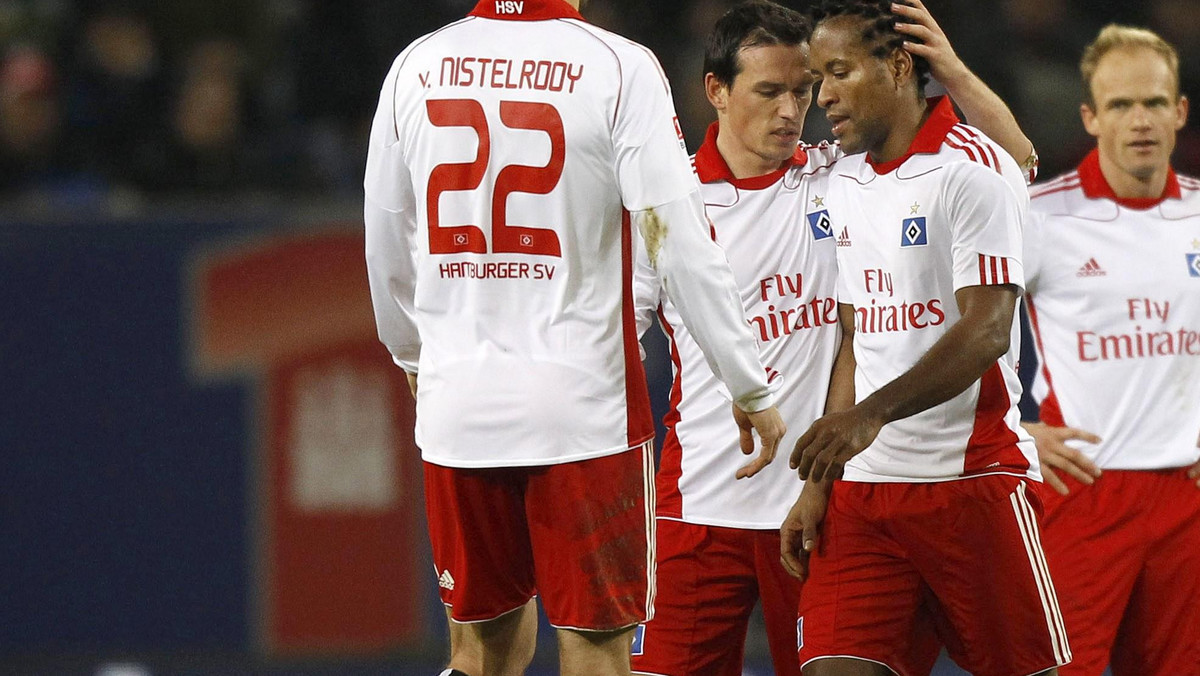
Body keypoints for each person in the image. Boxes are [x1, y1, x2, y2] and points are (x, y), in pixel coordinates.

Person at [362, 1, 787, 675]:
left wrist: (413, 355)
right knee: (596, 651)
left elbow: (386, 234)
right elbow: (675, 237)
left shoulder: (415, 67)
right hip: (585, 411)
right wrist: (748, 382)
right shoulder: (619, 67)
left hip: (458, 403)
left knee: (479, 651)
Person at [631, 2, 1042, 675]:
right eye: (770, 91)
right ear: (717, 90)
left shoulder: (836, 175)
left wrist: (953, 72)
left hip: (816, 505)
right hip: (697, 501)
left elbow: (1014, 162)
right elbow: (621, 337)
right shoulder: (667, 204)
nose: (794, 109)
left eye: (803, 88)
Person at [780, 1, 1069, 674]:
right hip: (866, 497)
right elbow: (857, 332)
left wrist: (870, 415)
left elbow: (989, 330)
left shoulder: (972, 170)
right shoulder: (842, 179)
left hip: (969, 483)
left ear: (900, 65)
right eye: (818, 77)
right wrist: (821, 482)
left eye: (839, 72)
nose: (823, 96)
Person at [1021, 24, 1200, 676]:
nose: (1140, 119)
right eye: (1121, 105)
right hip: (1083, 493)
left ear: (1179, 112)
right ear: (1092, 117)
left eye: (1154, 102)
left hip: (1187, 498)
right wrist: (1016, 431)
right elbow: (949, 324)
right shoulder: (1042, 217)